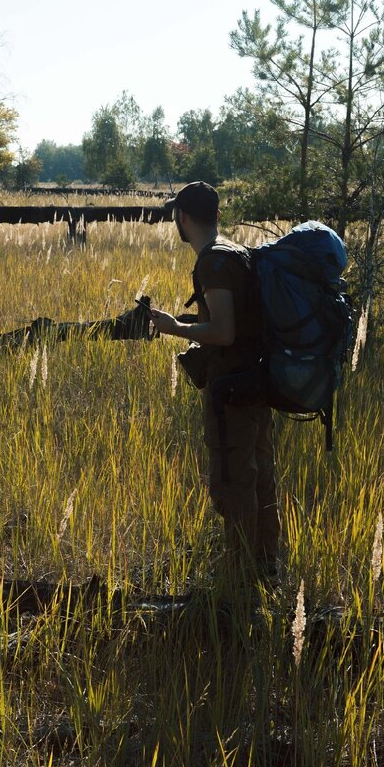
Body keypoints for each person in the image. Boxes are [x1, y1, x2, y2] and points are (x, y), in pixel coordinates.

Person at [148, 181, 280, 583]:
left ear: (183, 218)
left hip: (233, 392)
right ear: (217, 215)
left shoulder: (212, 261)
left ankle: (239, 581)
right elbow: (234, 324)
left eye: (177, 215)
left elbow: (223, 332)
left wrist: (174, 328)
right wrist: (188, 322)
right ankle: (266, 570)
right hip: (258, 382)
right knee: (262, 480)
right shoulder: (237, 253)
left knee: (234, 485)